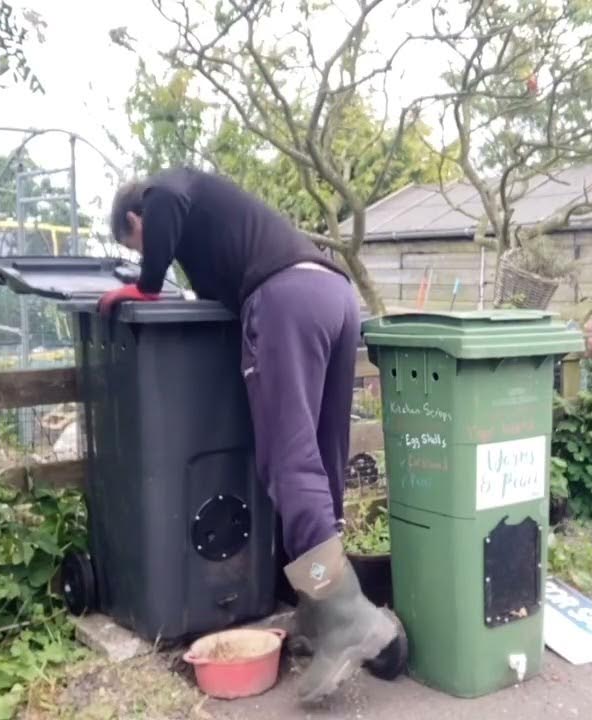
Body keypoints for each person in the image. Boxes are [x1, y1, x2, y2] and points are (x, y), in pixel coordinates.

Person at [99, 167, 396, 703]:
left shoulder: (166, 192)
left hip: (287, 300)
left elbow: (162, 202)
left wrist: (142, 287)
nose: (153, 253)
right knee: (325, 457)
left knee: (290, 461)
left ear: (135, 219)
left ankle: (347, 614)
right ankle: (316, 607)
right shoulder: (220, 227)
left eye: (138, 240)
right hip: (334, 295)